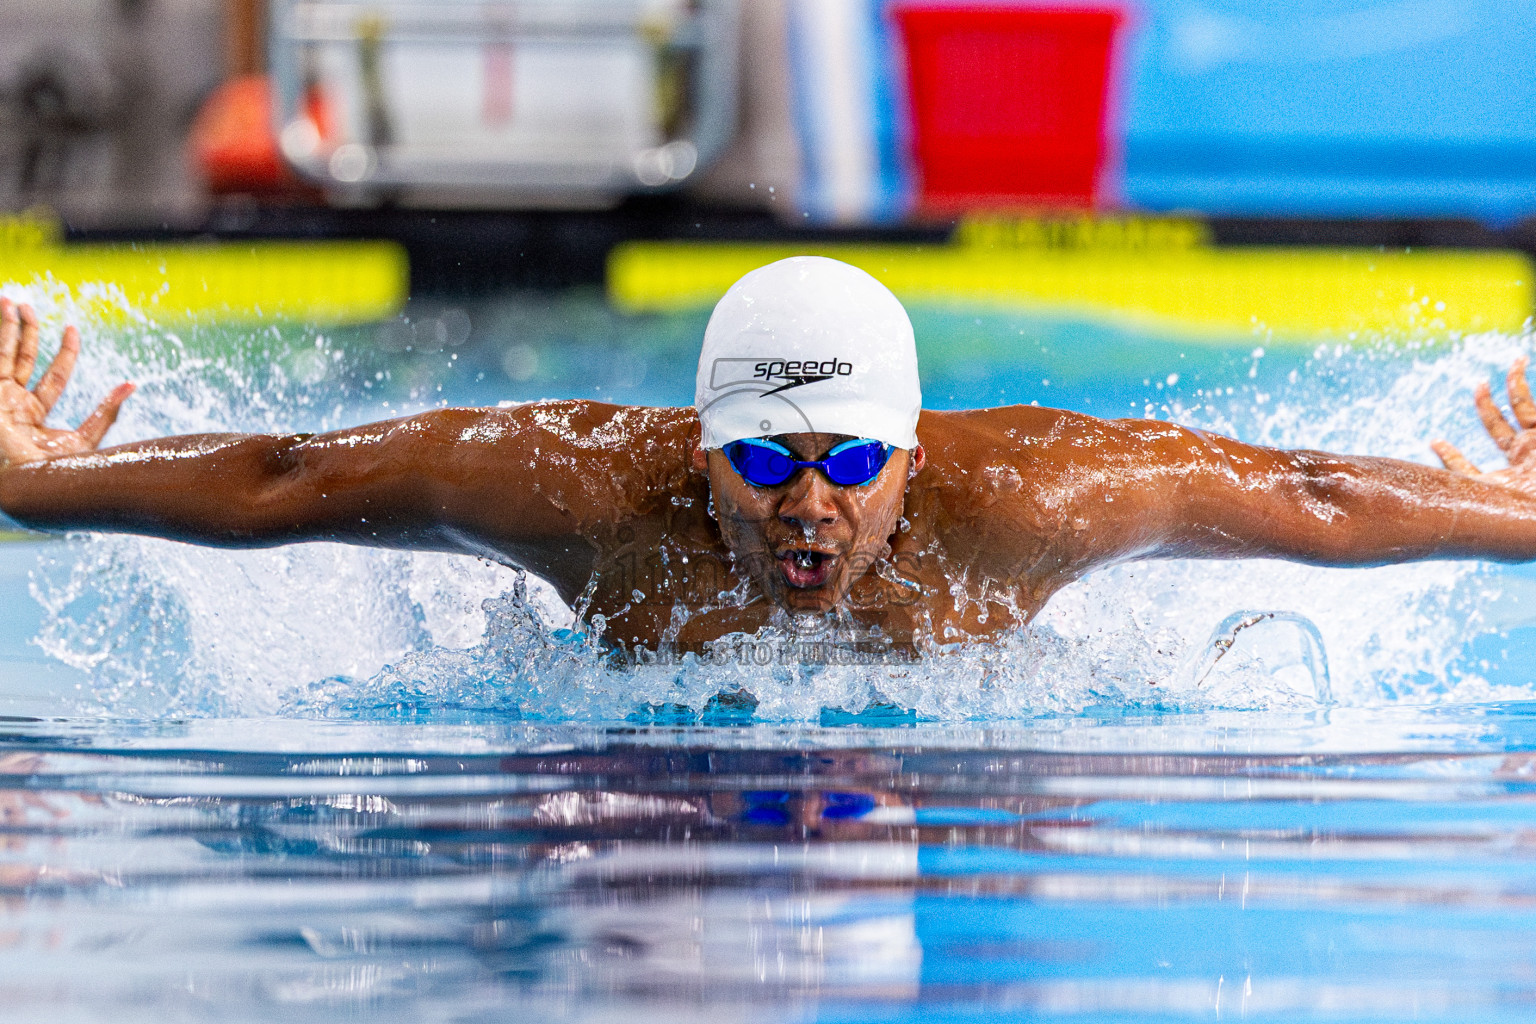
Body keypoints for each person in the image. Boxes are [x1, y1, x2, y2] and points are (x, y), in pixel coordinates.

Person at [0, 255, 1534, 657]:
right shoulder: (586, 488)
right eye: (768, 460)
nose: (811, 504)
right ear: (699, 450)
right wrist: (34, 486)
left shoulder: (1034, 500)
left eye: (854, 462)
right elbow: (289, 476)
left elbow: (1314, 495)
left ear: (915, 456)